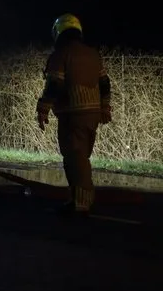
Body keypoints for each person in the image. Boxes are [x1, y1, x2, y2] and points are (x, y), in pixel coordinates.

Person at [36, 13, 111, 217]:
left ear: (58, 32)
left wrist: (43, 108)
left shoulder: (61, 54)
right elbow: (105, 83)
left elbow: (55, 85)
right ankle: (80, 197)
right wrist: (105, 108)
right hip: (92, 114)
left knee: (74, 157)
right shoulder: (93, 54)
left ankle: (80, 204)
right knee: (82, 156)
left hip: (72, 114)